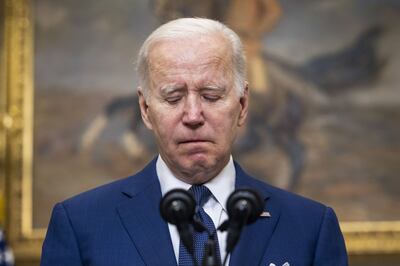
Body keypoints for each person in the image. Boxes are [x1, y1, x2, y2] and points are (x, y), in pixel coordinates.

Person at [41, 18, 348, 266]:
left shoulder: (311, 227)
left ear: (242, 105)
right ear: (145, 110)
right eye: (173, 97)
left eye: (211, 96)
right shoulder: (80, 224)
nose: (192, 115)